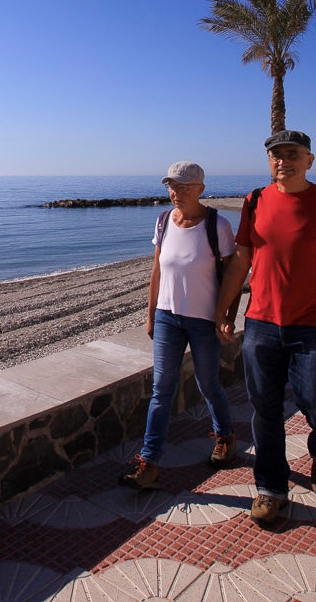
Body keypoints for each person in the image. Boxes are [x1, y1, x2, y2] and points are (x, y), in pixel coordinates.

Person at [214, 131, 316, 526]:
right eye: (276, 156)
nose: (283, 161)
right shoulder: (255, 201)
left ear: (309, 160)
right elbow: (241, 260)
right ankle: (270, 488)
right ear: (269, 162)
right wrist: (224, 309)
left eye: (292, 154)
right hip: (261, 324)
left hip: (315, 327)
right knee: (264, 412)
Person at [121, 160, 238, 489]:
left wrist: (227, 317)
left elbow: (232, 277)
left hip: (204, 321)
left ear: (200, 188)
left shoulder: (218, 226)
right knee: (162, 391)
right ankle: (149, 461)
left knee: (208, 384)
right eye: (172, 186)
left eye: (184, 186)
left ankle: (225, 437)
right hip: (167, 318)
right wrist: (150, 316)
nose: (176, 192)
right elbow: (157, 272)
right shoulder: (163, 221)